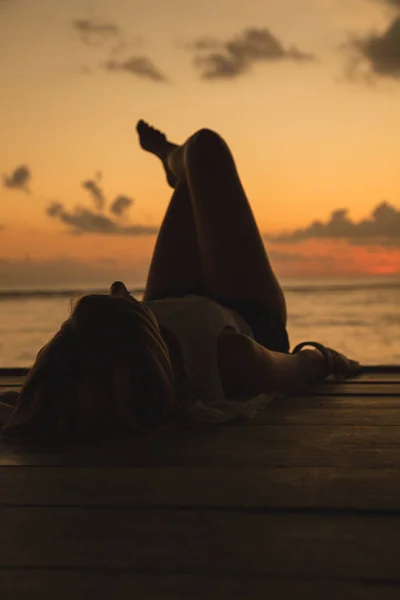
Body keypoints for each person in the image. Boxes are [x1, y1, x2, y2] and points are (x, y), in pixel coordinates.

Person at [0, 121, 361, 440]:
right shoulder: (232, 359)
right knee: (205, 148)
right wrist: (330, 359)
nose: (120, 288)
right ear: (136, 338)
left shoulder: (84, 378)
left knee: (193, 177)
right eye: (119, 299)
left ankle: (178, 169)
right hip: (244, 311)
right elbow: (300, 366)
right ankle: (174, 159)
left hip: (170, 300)